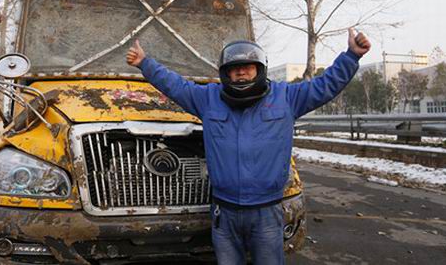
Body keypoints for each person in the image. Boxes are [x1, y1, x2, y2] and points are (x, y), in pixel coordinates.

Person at [126, 29, 371, 265]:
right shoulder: (208, 99)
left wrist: (351, 57)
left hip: (267, 212)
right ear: (226, 74)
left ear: (260, 69)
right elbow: (176, 85)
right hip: (225, 212)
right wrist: (145, 63)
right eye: (234, 69)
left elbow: (324, 85)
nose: (241, 73)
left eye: (248, 67)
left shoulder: (287, 98)